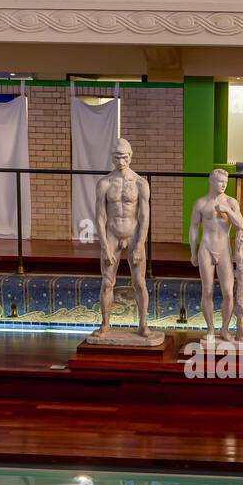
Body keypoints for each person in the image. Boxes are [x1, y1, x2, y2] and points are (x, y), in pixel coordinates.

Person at [91, 138, 153, 340]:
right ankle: (106, 323)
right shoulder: (104, 183)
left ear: (131, 156)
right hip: (112, 234)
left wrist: (139, 245)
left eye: (125, 156)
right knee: (107, 282)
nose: (121, 161)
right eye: (117, 157)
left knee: (139, 281)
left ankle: (143, 324)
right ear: (112, 157)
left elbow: (144, 217)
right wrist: (104, 247)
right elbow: (100, 217)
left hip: (134, 234)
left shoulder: (140, 183)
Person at [188, 167, 243, 342]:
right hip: (206, 248)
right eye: (220, 181)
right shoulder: (201, 203)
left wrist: (228, 211)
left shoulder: (231, 202)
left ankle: (224, 330)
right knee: (207, 290)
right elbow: (193, 228)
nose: (223, 185)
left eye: (225, 182)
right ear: (211, 181)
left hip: (224, 250)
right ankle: (210, 330)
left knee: (228, 293)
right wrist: (193, 252)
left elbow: (240, 224)